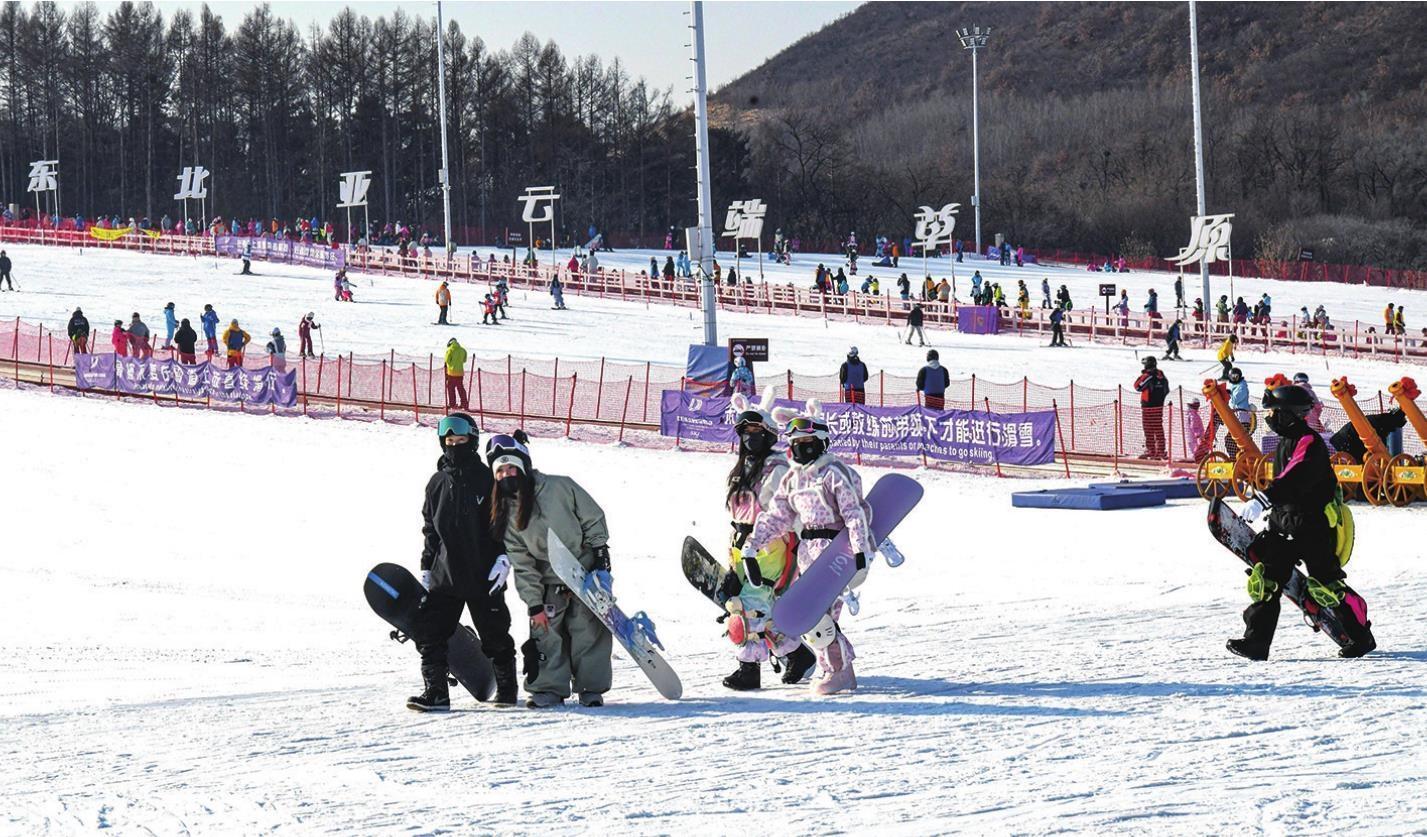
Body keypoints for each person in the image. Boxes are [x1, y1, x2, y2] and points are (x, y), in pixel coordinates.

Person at [1227, 384, 1376, 660]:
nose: (1269, 417)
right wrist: (1271, 512)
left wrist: (1262, 499)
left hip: (1313, 528)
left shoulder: (1310, 443)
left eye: (1274, 412)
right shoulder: (1285, 441)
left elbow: (1294, 478)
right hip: (1283, 524)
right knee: (1267, 580)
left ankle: (1361, 637)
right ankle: (1256, 643)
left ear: (1289, 414)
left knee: (1327, 586)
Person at [741, 402, 873, 695]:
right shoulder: (793, 478)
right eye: (796, 443)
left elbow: (853, 512)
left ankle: (839, 670)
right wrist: (751, 547)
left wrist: (860, 549)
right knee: (809, 616)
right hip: (807, 552)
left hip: (836, 552)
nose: (801, 449)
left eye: (808, 443)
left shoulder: (833, 473)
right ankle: (834, 667)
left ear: (821, 443)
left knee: (822, 618)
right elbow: (776, 516)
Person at [488, 431, 614, 708]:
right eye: (499, 471)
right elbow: (522, 562)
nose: (506, 475)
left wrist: (601, 563)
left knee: (588, 632)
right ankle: (548, 687)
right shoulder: (507, 513)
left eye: (511, 467)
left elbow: (593, 519)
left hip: (583, 573)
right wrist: (534, 604)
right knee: (546, 635)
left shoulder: (561, 487)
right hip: (547, 582)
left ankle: (590, 688)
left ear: (524, 466)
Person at [406, 413, 518, 711]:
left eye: (461, 440)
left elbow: (506, 523)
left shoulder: (487, 480)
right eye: (450, 441)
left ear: (473, 441)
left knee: (494, 634)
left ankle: (506, 690)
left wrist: (505, 558)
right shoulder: (436, 484)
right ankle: (437, 694)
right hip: (446, 576)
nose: (455, 445)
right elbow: (431, 530)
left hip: (484, 573)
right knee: (431, 635)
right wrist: (427, 567)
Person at [718, 390, 817, 690]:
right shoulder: (741, 470)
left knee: (747, 606)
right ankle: (798, 656)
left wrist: (802, 544)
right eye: (744, 432)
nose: (750, 438)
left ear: (769, 435)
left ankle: (748, 669)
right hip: (741, 543)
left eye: (756, 431)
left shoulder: (778, 470)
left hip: (769, 546)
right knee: (765, 609)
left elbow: (790, 509)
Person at [1134, 357, 1169, 459]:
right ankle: (1161, 450)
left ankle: (1151, 450)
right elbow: (1166, 390)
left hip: (1148, 406)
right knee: (1158, 427)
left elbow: (1137, 386)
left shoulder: (1149, 376)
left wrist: (1144, 375)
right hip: (1159, 405)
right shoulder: (1161, 376)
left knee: (1148, 428)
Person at [1225, 367, 1251, 458]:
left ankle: (1240, 458)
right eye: (1232, 377)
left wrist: (1229, 394)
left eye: (1236, 376)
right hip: (1235, 418)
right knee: (1229, 440)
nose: (1234, 378)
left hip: (1243, 419)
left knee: (1238, 441)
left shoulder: (1242, 386)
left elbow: (1236, 399)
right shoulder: (1233, 386)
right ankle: (1235, 458)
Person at [444, 338, 469, 410]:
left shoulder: (450, 350)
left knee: (451, 389)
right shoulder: (463, 350)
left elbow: (447, 360)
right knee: (461, 388)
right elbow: (464, 360)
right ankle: (464, 404)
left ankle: (452, 404)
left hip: (451, 373)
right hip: (460, 373)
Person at [1186, 396, 1208, 460]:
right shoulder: (1193, 415)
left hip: (1193, 436)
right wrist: (1198, 434)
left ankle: (1198, 459)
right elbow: (1194, 426)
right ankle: (1198, 460)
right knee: (1197, 448)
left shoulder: (1191, 414)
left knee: (1196, 448)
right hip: (1195, 437)